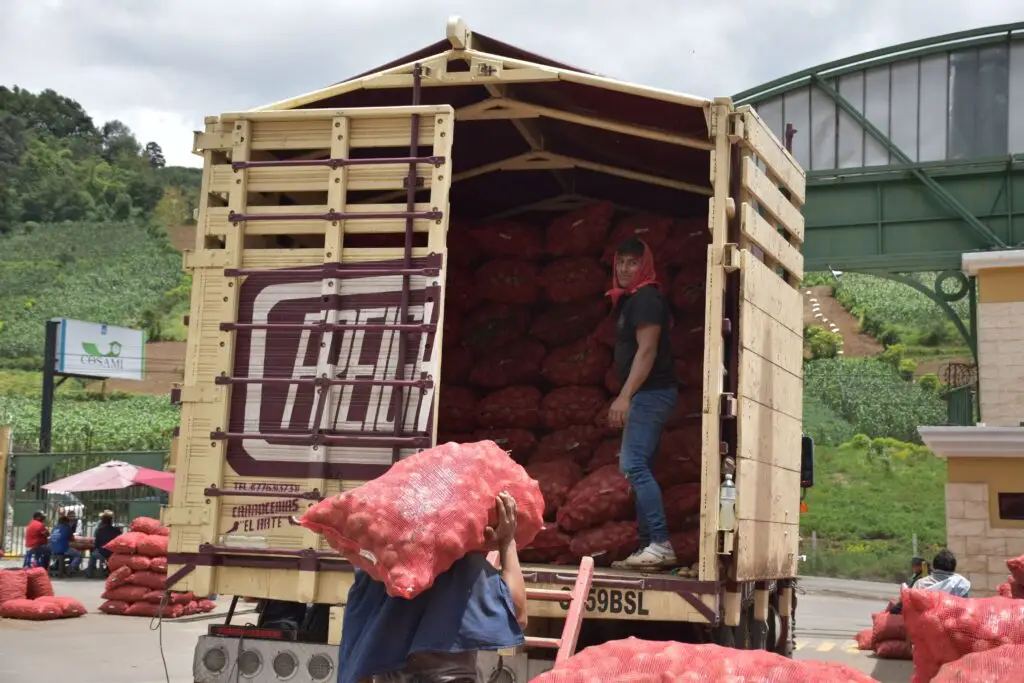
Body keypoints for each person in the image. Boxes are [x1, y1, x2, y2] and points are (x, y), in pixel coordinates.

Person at [337, 492, 528, 683]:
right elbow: (517, 617)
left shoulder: (376, 574)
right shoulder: (467, 568)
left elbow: (357, 661)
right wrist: (507, 542)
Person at [607, 237, 678, 569]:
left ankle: (660, 542)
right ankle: (649, 546)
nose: (624, 268)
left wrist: (625, 395)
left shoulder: (647, 298)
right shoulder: (631, 300)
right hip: (646, 394)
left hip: (651, 393)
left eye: (632, 262)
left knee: (633, 465)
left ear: (645, 266)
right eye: (620, 261)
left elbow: (647, 351)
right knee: (636, 467)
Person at [888, 549, 968, 614]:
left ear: (934, 565)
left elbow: (904, 607)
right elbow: (965, 608)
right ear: (954, 567)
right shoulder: (961, 583)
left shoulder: (920, 584)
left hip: (925, 629)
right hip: (953, 629)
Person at [87, 510, 122, 578]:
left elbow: (96, 544)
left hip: (102, 552)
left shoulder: (99, 531)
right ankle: (109, 570)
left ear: (102, 521)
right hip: (113, 552)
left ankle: (89, 573)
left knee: (92, 556)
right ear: (111, 521)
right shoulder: (116, 531)